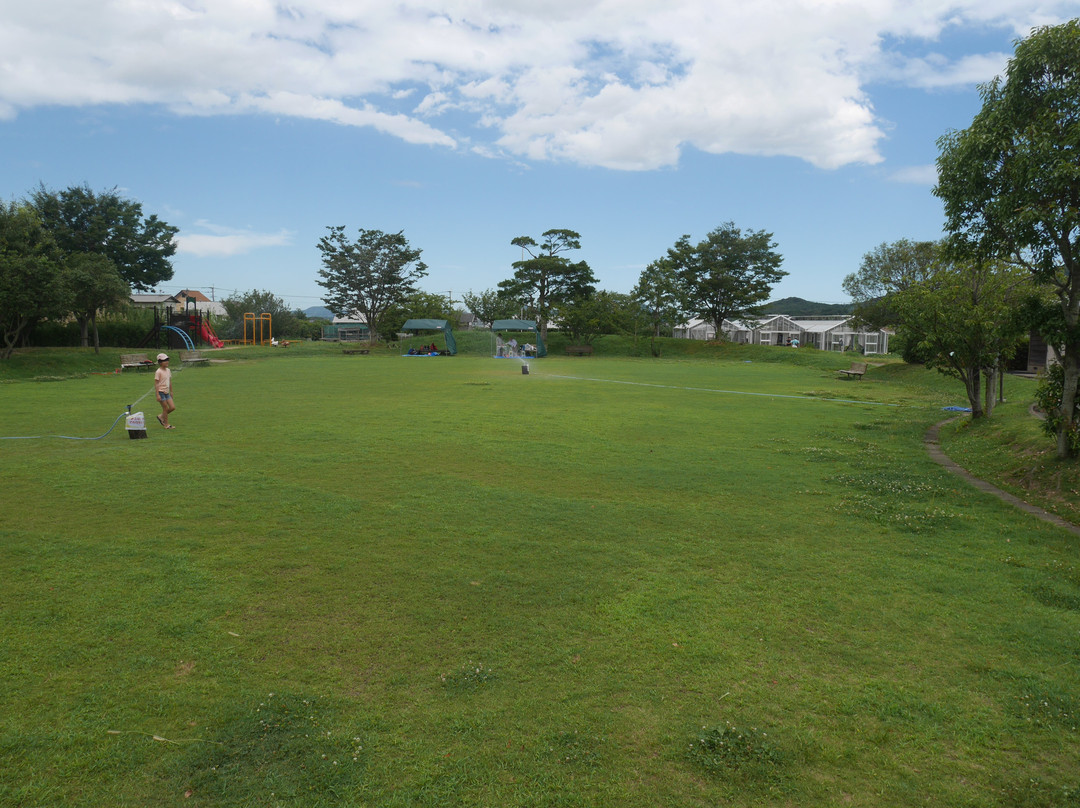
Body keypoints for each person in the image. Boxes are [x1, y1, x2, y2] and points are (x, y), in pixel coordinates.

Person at [154, 353, 176, 429]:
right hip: (161, 392)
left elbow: (169, 381)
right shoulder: (158, 372)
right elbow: (156, 384)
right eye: (164, 360)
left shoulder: (168, 370)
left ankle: (161, 416)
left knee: (172, 407)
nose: (166, 362)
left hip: (167, 392)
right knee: (165, 409)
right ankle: (167, 425)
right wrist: (157, 395)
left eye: (167, 360)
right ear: (160, 362)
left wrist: (171, 391)